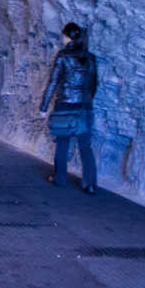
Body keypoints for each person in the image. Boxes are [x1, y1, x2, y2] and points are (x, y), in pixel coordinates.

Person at [39, 22, 98, 194]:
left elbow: (53, 82)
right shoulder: (90, 57)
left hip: (64, 106)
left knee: (63, 143)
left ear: (66, 36)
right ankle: (90, 184)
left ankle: (60, 179)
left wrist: (44, 106)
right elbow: (95, 84)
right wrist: (85, 102)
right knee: (85, 145)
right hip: (84, 107)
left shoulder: (63, 56)